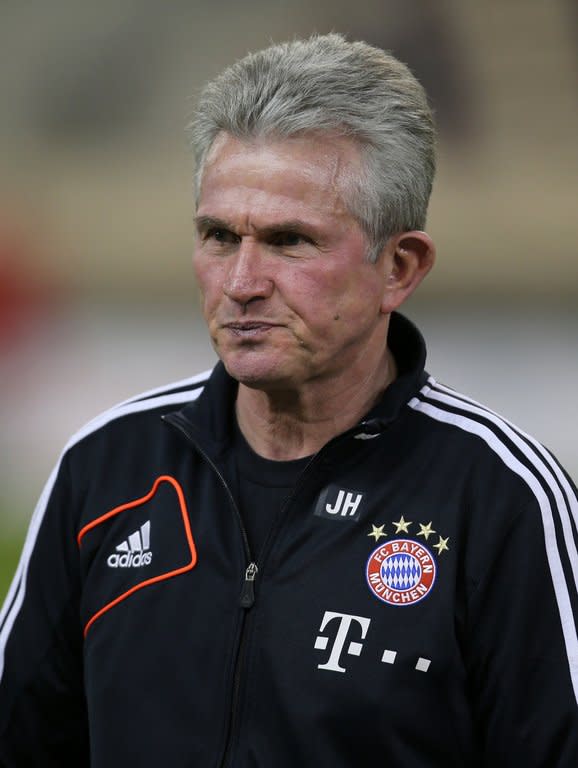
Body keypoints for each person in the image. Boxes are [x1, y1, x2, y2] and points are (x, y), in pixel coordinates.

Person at [0, 33, 577, 768]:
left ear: (399, 267)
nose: (241, 281)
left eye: (288, 241)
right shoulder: (106, 468)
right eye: (217, 235)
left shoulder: (501, 499)